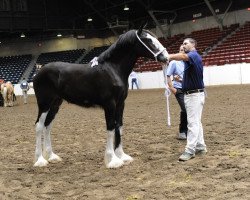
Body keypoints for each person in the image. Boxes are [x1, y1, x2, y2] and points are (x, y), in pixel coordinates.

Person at [168, 38, 207, 161]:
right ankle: (200, 146)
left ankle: (190, 150)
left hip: (193, 95)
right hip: (194, 94)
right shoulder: (192, 59)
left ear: (193, 45)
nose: (184, 45)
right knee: (196, 122)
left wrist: (168, 56)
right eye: (183, 44)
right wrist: (181, 80)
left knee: (192, 123)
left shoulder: (193, 55)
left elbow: (183, 56)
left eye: (186, 43)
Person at [165, 45, 187, 140]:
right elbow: (168, 75)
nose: (183, 52)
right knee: (185, 109)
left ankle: (185, 131)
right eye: (181, 50)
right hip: (179, 90)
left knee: (186, 110)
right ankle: (182, 132)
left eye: (185, 50)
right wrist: (172, 88)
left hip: (188, 88)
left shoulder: (187, 62)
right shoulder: (174, 62)